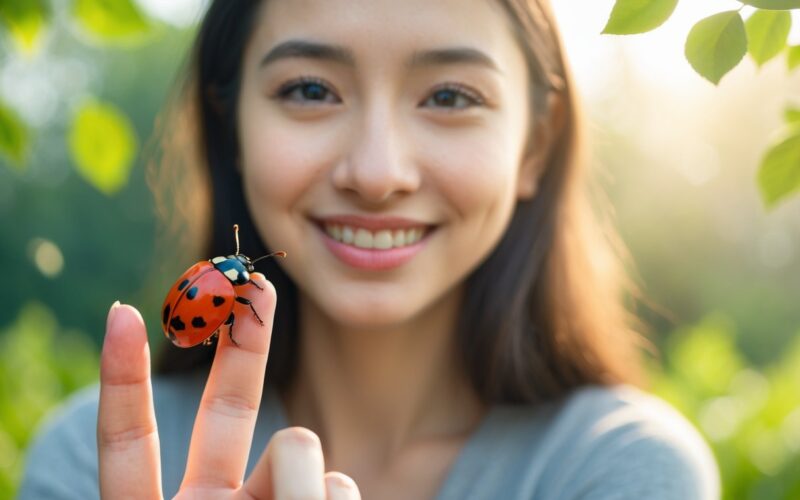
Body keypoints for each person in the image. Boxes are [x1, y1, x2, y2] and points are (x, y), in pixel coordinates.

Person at [18, 0, 721, 498]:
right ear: (230, 127)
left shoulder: (621, 473)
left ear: (534, 145)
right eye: (311, 89)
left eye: (449, 97)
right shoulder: (91, 462)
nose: (378, 173)